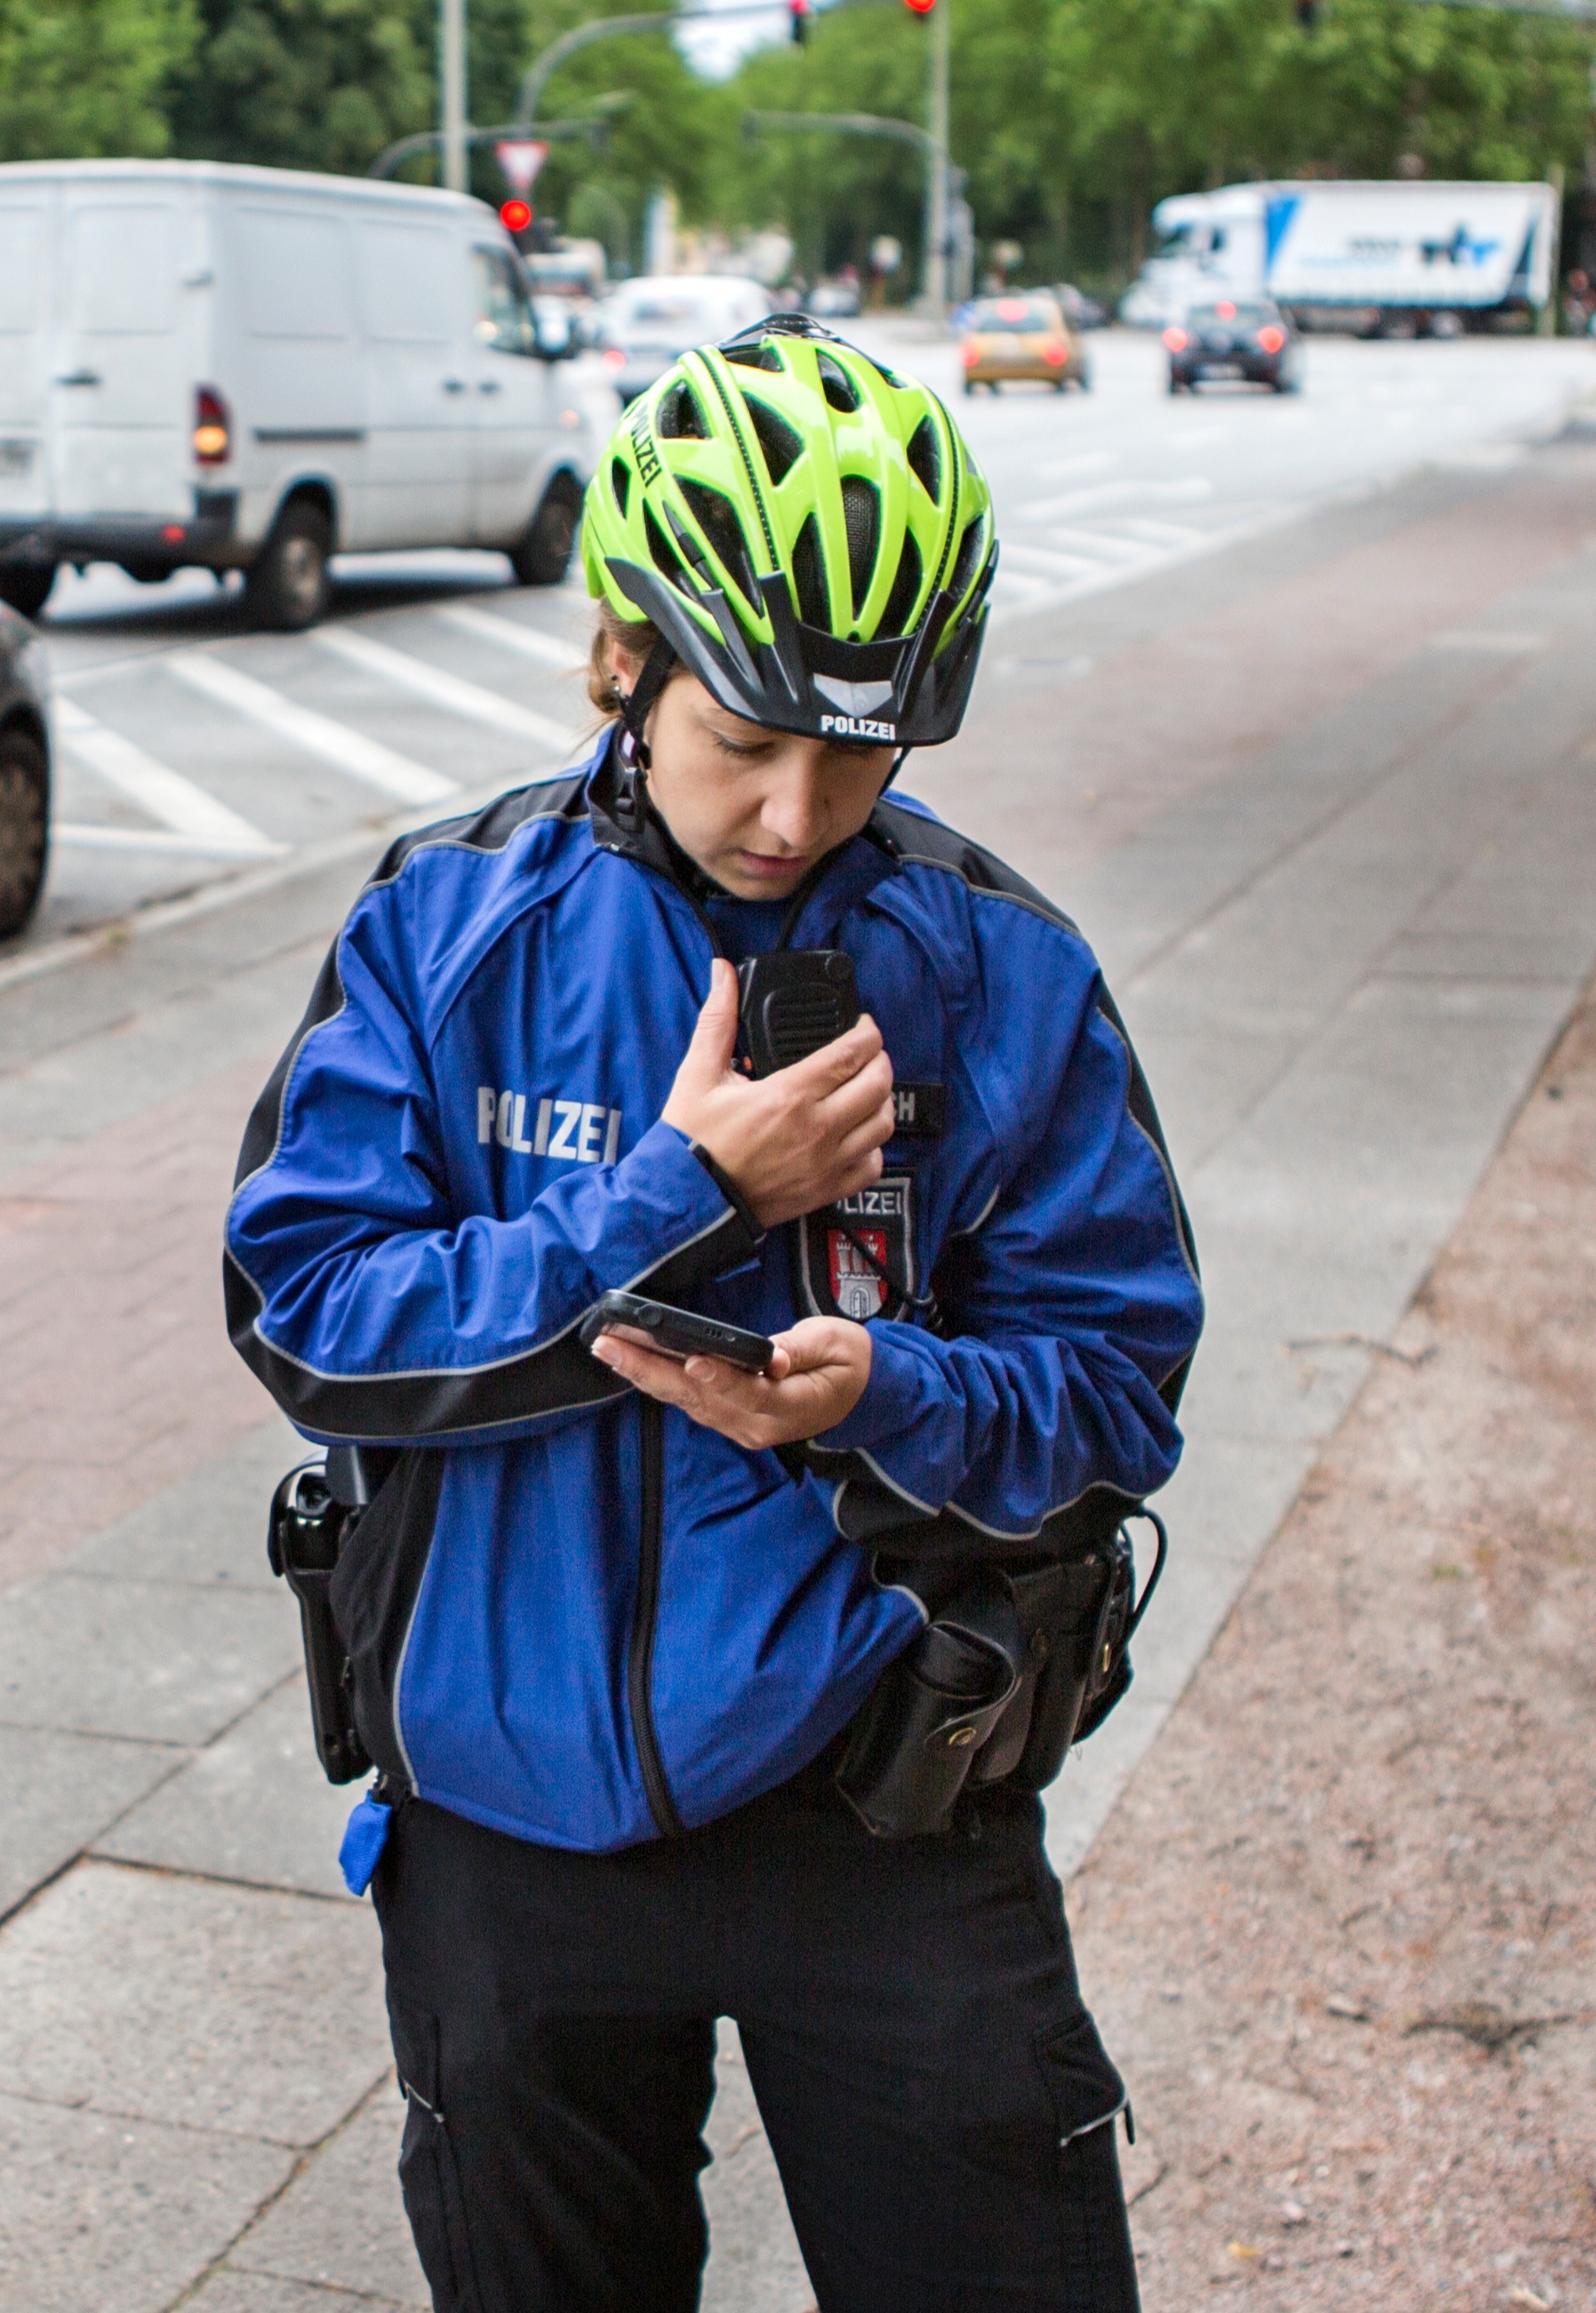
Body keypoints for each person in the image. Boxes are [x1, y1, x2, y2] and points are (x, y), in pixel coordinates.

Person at [223, 313, 1201, 2310]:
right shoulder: (444, 922)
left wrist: (885, 1397)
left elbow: (1117, 1386)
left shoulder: (996, 968)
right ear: (620, 656)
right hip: (509, 1820)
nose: (792, 810)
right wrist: (684, 1198)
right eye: (743, 740)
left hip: (881, 1805)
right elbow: (307, 1312)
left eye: (856, 756)